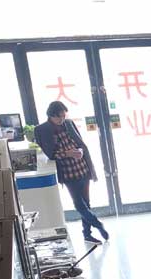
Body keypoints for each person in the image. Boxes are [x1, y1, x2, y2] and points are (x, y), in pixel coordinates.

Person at [35, 101, 109, 245]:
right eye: (59, 117)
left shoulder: (69, 123)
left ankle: (87, 234)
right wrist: (68, 153)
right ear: (51, 115)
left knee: (86, 203)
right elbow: (50, 154)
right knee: (79, 204)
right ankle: (98, 224)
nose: (62, 119)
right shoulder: (42, 129)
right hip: (68, 172)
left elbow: (80, 143)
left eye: (64, 116)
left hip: (82, 167)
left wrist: (79, 151)